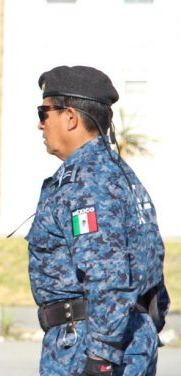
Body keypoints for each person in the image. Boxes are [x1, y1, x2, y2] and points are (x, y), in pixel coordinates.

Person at [27, 65, 169, 376]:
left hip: (85, 346)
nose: (40, 125)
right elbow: (151, 262)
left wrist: (101, 357)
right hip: (121, 339)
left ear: (70, 117)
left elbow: (106, 272)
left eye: (44, 112)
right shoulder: (116, 173)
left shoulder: (86, 183)